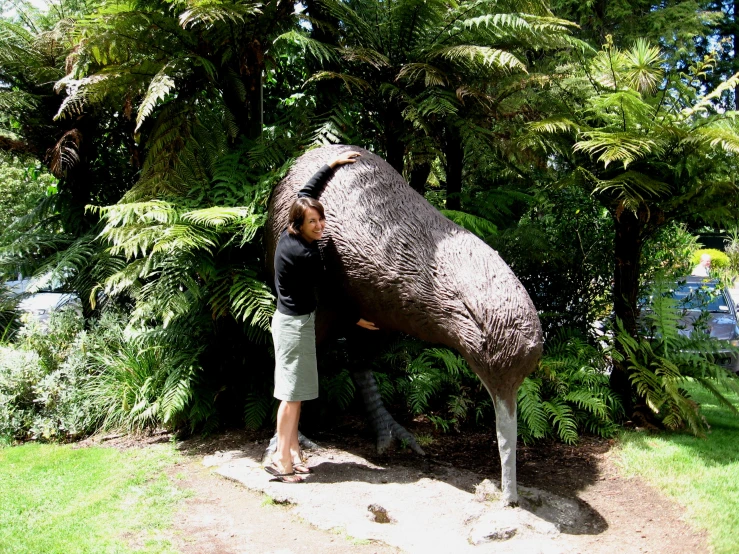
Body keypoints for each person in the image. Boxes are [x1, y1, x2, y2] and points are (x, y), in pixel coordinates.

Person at [266, 151, 378, 483]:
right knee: (290, 396)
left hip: (292, 323)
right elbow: (330, 295)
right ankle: (280, 459)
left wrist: (332, 164)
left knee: (296, 394)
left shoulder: (291, 234)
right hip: (294, 327)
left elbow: (307, 191)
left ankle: (294, 452)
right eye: (313, 223)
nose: (320, 226)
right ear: (299, 225)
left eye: (321, 220)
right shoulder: (304, 254)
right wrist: (355, 319)